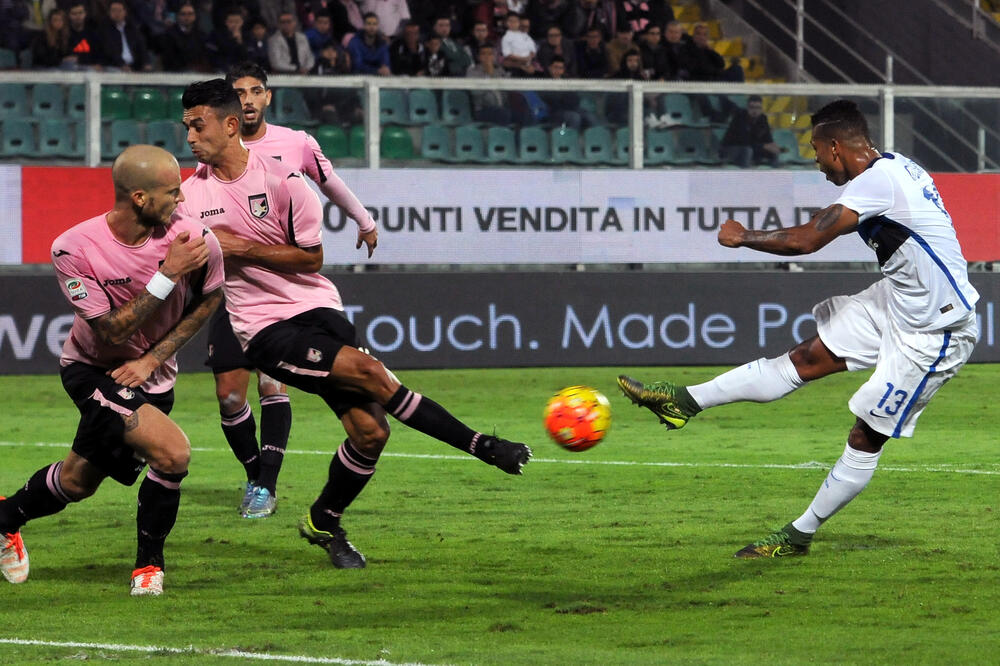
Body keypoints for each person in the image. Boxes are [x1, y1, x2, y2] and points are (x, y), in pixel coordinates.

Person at [177, 79, 531, 568]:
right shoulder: (190, 197)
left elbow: (312, 258)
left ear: (230, 124)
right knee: (369, 375)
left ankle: (324, 520)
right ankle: (482, 445)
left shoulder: (284, 180)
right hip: (263, 329)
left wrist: (241, 246)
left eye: (199, 125)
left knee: (371, 434)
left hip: (321, 310)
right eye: (186, 127)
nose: (191, 137)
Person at [619, 99, 979, 559]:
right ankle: (683, 402)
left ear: (835, 147)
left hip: (937, 330)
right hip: (901, 302)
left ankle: (799, 535)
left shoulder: (878, 183)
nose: (814, 160)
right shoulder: (893, 168)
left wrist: (742, 237)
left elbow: (807, 239)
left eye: (815, 150)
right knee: (804, 358)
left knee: (866, 435)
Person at [0, 145, 224, 594]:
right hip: (93, 371)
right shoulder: (74, 247)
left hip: (150, 377)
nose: (182, 200)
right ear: (139, 197)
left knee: (77, 482)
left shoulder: (196, 237)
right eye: (172, 191)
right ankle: (148, 568)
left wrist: (152, 360)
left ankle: (5, 519)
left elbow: (210, 300)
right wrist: (168, 274)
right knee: (173, 454)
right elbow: (111, 332)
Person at [202, 62, 372, 519]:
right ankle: (256, 470)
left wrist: (365, 219)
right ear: (230, 107)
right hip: (234, 288)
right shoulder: (213, 155)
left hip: (283, 292)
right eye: (241, 92)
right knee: (229, 395)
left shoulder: (295, 143)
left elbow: (329, 181)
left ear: (268, 97)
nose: (250, 98)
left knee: (272, 383)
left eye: (257, 90)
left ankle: (265, 485)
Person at [719, 95, 779, 167]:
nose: (755, 110)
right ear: (747, 107)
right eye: (752, 107)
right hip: (731, 148)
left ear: (761, 109)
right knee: (747, 150)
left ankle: (775, 175)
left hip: (752, 147)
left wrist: (772, 145)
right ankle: (746, 175)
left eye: (758, 108)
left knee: (773, 151)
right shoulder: (739, 116)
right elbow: (744, 141)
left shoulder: (763, 118)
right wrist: (764, 146)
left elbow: (767, 138)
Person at [97, 0, 152, 71]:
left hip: (134, 66)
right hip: (115, 66)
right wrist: (121, 64)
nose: (116, 14)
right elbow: (110, 50)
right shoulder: (105, 28)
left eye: (119, 11)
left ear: (125, 12)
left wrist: (146, 62)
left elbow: (141, 45)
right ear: (109, 13)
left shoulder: (132, 27)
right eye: (113, 11)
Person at [159, 2, 211, 72]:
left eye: (190, 14)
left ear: (195, 16)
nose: (187, 17)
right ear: (178, 16)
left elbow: (204, 56)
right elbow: (168, 59)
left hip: (198, 73)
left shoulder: (201, 35)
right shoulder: (169, 35)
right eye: (183, 14)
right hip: (175, 73)